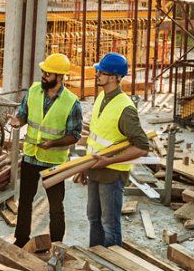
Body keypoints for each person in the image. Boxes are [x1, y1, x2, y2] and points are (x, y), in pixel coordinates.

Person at [74, 52, 149, 248]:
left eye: (102, 72)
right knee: (93, 218)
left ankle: (111, 267)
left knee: (110, 224)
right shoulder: (101, 97)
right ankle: (95, 257)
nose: (97, 74)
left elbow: (142, 147)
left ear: (115, 77)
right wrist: (85, 165)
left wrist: (108, 161)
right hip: (95, 168)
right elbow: (95, 138)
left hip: (112, 174)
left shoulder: (125, 108)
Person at [12, 52, 82, 246]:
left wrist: (52, 143)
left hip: (53, 161)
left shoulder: (71, 102)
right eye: (43, 72)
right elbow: (23, 114)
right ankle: (21, 240)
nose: (43, 76)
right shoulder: (34, 91)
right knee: (25, 201)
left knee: (55, 206)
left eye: (48, 74)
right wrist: (18, 121)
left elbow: (75, 135)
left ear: (60, 77)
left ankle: (57, 243)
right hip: (31, 156)